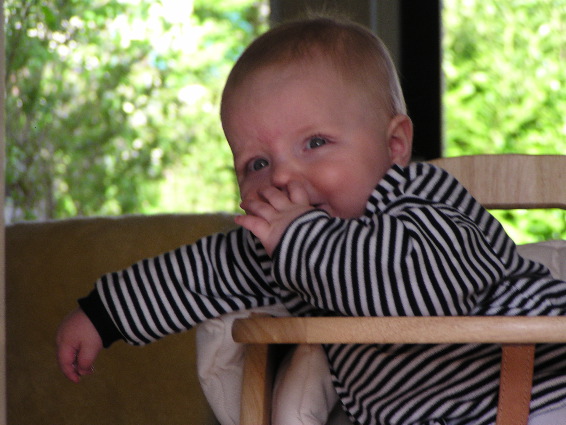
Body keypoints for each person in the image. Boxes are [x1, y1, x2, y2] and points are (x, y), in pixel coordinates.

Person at [56, 16, 566, 425]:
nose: (281, 176)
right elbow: (199, 273)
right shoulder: (283, 245)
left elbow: (417, 292)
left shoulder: (429, 204)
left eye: (315, 143)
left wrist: (300, 239)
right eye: (257, 163)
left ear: (393, 146)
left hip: (543, 393)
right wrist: (103, 315)